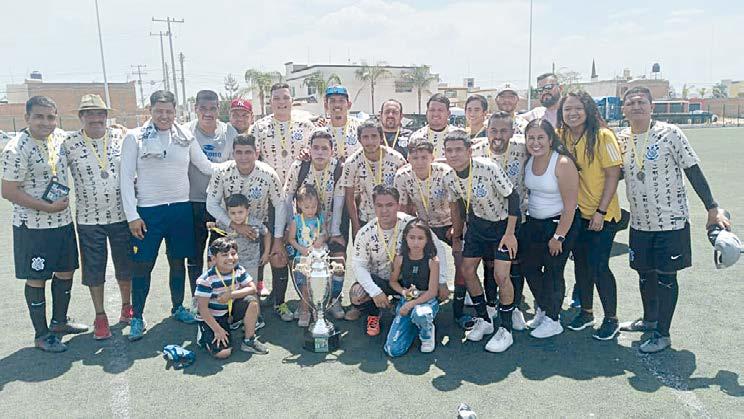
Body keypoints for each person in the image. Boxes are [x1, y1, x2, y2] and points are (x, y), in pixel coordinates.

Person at [617, 86, 730, 353]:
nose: (636, 106)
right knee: (644, 273)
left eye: (641, 102)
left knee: (666, 277)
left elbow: (692, 170)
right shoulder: (621, 139)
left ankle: (662, 333)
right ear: (623, 110)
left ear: (651, 107)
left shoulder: (670, 133)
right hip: (640, 222)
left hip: (671, 222)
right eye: (630, 103)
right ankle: (649, 320)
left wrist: (712, 207)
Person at [120, 90, 215, 341]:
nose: (164, 116)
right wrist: (132, 216)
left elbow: (206, 166)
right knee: (143, 265)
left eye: (169, 111)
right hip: (148, 212)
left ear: (175, 112)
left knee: (177, 261)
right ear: (149, 111)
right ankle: (137, 316)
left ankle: (178, 307)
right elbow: (125, 179)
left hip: (180, 209)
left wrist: (238, 166)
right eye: (159, 111)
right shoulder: (134, 137)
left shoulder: (185, 137)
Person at [2, 96, 88, 352]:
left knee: (66, 271)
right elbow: (8, 191)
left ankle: (59, 322)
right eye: (39, 116)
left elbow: (84, 137)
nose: (46, 122)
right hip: (33, 227)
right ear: (27, 118)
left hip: (62, 223)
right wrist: (46, 206)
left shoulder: (60, 138)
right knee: (37, 278)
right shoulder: (16, 148)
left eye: (50, 117)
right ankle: (41, 335)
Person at [443, 129, 520, 353]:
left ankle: (506, 329)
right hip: (477, 226)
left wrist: (510, 233)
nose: (454, 155)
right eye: (449, 150)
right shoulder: (449, 177)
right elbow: (456, 207)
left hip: (502, 226)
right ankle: (485, 320)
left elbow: (513, 197)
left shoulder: (488, 167)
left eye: (459, 149)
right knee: (467, 270)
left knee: (501, 276)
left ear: (469, 151)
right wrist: (457, 237)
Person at [62, 94, 132, 339]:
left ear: (106, 116)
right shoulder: (68, 143)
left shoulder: (120, 136)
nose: (96, 118)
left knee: (125, 265)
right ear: (81, 117)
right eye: (89, 113)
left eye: (100, 113)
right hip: (89, 218)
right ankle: (100, 315)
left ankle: (127, 306)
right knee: (94, 268)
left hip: (120, 214)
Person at [557, 91, 623, 341]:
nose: (572, 113)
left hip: (601, 215)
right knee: (582, 266)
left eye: (578, 108)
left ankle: (611, 319)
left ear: (588, 110)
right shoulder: (562, 136)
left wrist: (601, 211)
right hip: (577, 215)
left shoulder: (603, 136)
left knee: (598, 266)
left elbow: (613, 175)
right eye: (567, 109)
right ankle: (586, 312)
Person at [206, 134, 289, 320]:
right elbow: (211, 204)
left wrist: (277, 240)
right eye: (239, 152)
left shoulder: (268, 174)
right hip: (228, 231)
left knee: (275, 258)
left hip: (257, 230)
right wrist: (235, 225)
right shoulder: (222, 172)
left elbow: (280, 205)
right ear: (233, 153)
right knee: (219, 267)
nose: (243, 157)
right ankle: (217, 308)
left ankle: (278, 303)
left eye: (248, 152)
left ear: (256, 153)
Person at [348, 185, 449, 336]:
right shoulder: (365, 233)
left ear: (398, 204)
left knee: (435, 291)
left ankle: (418, 311)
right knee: (357, 294)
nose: (384, 210)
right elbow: (358, 265)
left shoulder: (412, 224)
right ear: (373, 206)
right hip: (383, 280)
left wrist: (441, 280)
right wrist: (375, 292)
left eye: (389, 205)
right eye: (379, 205)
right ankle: (374, 314)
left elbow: (438, 248)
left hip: (411, 279)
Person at [394, 140, 472, 328]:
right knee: (409, 256)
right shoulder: (402, 176)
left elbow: (455, 206)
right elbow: (403, 209)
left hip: (448, 223)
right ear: (408, 158)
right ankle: (412, 296)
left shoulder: (444, 173)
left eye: (424, 157)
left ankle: (459, 310)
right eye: (415, 157)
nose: (420, 162)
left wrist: (456, 233)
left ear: (433, 157)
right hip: (422, 225)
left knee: (460, 259)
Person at [250, 83, 315, 300]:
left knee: (301, 243)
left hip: (300, 198)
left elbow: (318, 151)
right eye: (276, 98)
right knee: (276, 247)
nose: (281, 102)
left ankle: (308, 297)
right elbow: (252, 158)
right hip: (270, 197)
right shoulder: (259, 127)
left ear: (291, 100)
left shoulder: (306, 126)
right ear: (270, 102)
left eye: (285, 98)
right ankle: (278, 299)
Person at [520, 119, 580, 338]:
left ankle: (554, 320)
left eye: (540, 138)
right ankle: (544, 309)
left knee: (553, 271)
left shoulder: (562, 163)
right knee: (529, 267)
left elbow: (570, 206)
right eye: (531, 138)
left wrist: (559, 236)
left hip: (559, 224)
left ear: (551, 139)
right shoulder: (529, 160)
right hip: (534, 223)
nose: (535, 143)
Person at [471, 111, 529, 330]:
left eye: (504, 131)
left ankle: (515, 308)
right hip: (487, 218)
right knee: (490, 264)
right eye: (493, 130)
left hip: (514, 217)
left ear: (512, 132)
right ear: (487, 131)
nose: (498, 135)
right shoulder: (476, 150)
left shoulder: (522, 147)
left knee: (514, 264)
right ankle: (491, 304)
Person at [283, 128, 347, 320]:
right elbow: (287, 196)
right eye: (316, 148)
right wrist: (291, 225)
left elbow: (339, 200)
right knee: (300, 266)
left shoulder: (338, 168)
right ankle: (306, 303)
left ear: (332, 151)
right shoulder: (299, 166)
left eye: (324, 148)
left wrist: (334, 232)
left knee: (338, 261)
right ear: (309, 149)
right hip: (302, 227)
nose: (320, 152)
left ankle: (333, 300)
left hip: (327, 226)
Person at [187, 90, 237, 308]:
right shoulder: (186, 131)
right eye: (203, 108)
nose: (208, 113)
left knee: (220, 252)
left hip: (220, 204)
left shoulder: (229, 132)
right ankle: (197, 297)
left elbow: (236, 164)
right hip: (193, 201)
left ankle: (219, 295)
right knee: (195, 253)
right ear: (195, 109)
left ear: (219, 109)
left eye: (213, 108)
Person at [195, 237, 268, 358]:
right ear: (214, 259)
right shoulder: (206, 280)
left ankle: (249, 340)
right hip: (213, 317)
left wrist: (231, 295)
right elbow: (202, 309)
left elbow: (252, 289)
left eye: (233, 254)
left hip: (229, 312)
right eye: (224, 255)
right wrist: (218, 330)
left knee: (252, 302)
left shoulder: (238, 270)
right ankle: (204, 333)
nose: (230, 258)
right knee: (224, 353)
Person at [341, 119, 407, 238]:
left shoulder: (397, 159)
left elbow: (405, 192)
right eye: (365, 137)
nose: (370, 141)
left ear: (381, 138)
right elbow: (350, 197)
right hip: (366, 218)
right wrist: (356, 225)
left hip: (393, 218)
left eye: (374, 136)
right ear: (359, 139)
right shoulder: (351, 163)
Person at [384, 218, 441, 356]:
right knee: (393, 350)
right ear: (405, 238)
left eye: (420, 238)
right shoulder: (400, 258)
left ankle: (426, 333)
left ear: (427, 240)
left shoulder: (433, 261)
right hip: (407, 299)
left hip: (426, 301)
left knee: (420, 314)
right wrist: (404, 292)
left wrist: (410, 305)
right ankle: (415, 326)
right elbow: (393, 282)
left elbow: (432, 292)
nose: (416, 242)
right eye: (412, 237)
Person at [206, 194, 270, 290]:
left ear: (247, 211)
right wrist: (212, 225)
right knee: (232, 290)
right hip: (230, 263)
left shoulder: (255, 222)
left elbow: (267, 234)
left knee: (251, 290)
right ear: (227, 212)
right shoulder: (224, 223)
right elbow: (215, 234)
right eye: (233, 213)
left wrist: (266, 253)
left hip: (251, 263)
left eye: (240, 212)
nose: (237, 216)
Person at [287, 185, 328, 327]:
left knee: (318, 286)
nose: (311, 210)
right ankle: (304, 311)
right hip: (303, 259)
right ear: (299, 205)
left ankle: (317, 310)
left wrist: (322, 238)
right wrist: (301, 249)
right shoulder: (296, 220)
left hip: (318, 259)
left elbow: (325, 233)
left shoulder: (319, 218)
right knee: (305, 287)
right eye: (307, 207)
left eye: (313, 206)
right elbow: (291, 239)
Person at [409, 94, 458, 159]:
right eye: (432, 110)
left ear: (448, 113)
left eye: (440, 110)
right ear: (427, 112)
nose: (436, 114)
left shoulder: (457, 136)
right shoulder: (417, 137)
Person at [324, 86, 362, 161]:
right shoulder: (320, 131)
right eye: (332, 101)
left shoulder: (360, 127)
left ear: (349, 105)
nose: (337, 105)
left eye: (341, 100)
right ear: (326, 106)